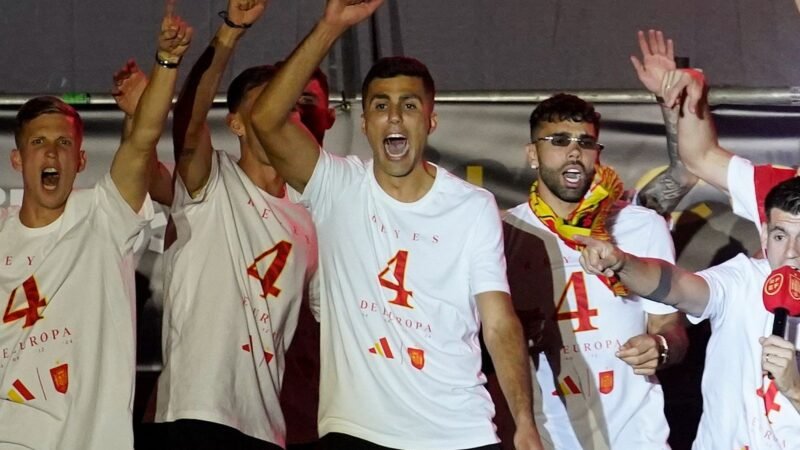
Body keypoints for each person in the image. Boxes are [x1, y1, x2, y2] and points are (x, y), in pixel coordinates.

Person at [249, 1, 541, 449]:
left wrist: (524, 422)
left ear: (430, 120)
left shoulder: (472, 205)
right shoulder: (337, 186)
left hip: (458, 431)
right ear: (364, 123)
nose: (395, 117)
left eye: (409, 105)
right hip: (358, 431)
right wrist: (330, 27)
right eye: (381, 106)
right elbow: (265, 118)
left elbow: (498, 322)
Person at [0, 3, 191, 449]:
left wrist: (166, 62)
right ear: (18, 160)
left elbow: (142, 141)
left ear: (81, 160)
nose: (51, 154)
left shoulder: (103, 218)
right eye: (39, 143)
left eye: (64, 143)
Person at [153, 0, 331, 448]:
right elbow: (188, 122)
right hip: (195, 412)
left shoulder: (312, 214)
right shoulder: (212, 180)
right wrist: (230, 31)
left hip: (266, 428)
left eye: (287, 106)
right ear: (236, 123)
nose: (278, 115)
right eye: (262, 107)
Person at [499, 93, 687, 449]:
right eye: (559, 141)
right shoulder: (506, 232)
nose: (574, 152)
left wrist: (660, 347)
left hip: (635, 437)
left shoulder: (642, 226)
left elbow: (669, 326)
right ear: (532, 154)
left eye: (585, 142)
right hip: (548, 435)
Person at [579, 176, 800, 449]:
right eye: (780, 236)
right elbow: (679, 286)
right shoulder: (742, 279)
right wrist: (624, 264)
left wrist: (794, 389)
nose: (792, 253)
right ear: (765, 234)